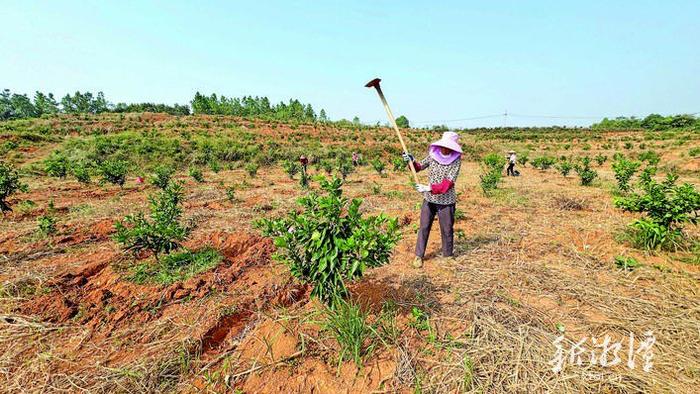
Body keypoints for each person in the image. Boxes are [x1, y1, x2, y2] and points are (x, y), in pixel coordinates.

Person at [403, 131, 462, 268]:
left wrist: (428, 187)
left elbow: (448, 184)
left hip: (446, 201)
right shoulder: (433, 155)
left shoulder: (456, 161)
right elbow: (418, 167)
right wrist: (410, 161)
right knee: (424, 227)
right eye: (443, 145)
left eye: (448, 146)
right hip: (429, 199)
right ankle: (419, 256)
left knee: (447, 229)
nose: (444, 148)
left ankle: (447, 256)